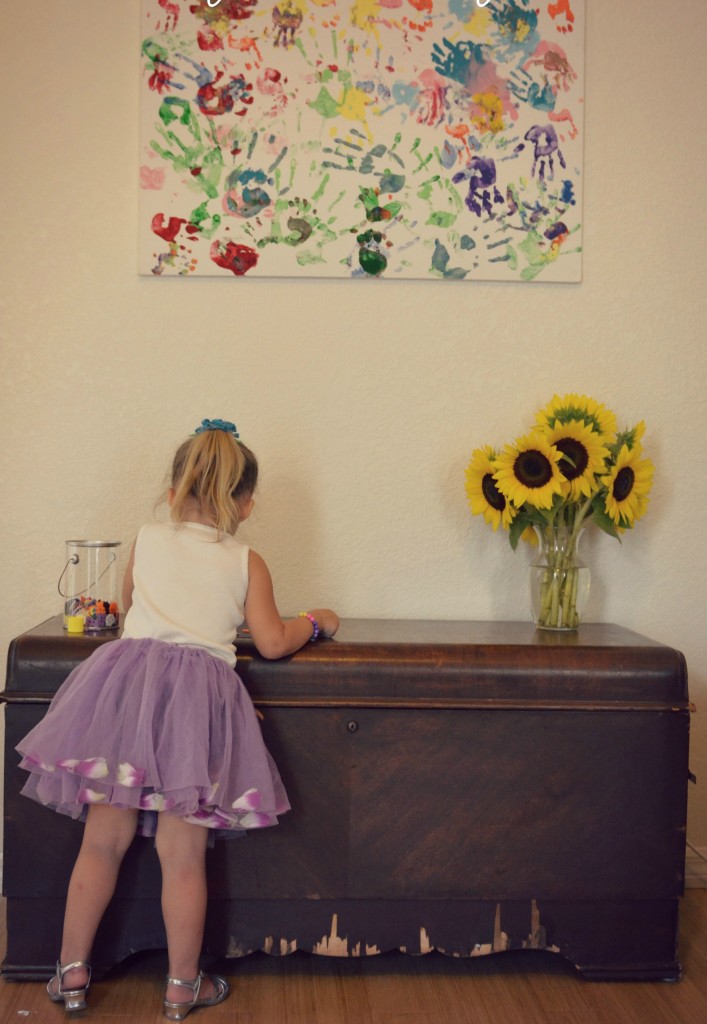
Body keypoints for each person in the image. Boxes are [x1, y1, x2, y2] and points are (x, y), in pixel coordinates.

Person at [16, 419, 339, 1020]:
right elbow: (270, 642)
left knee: (101, 842)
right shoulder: (248, 561)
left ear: (172, 493)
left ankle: (72, 973)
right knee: (183, 855)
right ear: (246, 504)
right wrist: (316, 622)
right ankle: (182, 986)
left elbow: (136, 607)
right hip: (195, 713)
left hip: (124, 700)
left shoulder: (146, 538)